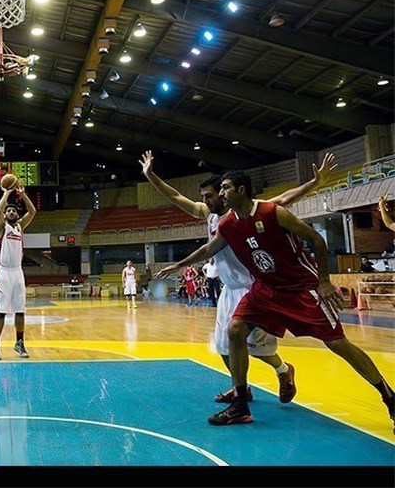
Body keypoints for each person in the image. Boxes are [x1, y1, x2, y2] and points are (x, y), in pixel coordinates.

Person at [156, 170, 395, 430]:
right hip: (265, 289)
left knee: (337, 343)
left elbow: (316, 239)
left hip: (300, 288)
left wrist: (324, 281)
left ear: (241, 190)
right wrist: (179, 265)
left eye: (225, 188)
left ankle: (388, 396)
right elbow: (209, 249)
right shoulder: (227, 224)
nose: (222, 193)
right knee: (235, 330)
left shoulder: (272, 212)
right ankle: (240, 403)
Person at [140, 150, 335, 404]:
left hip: (254, 287)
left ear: (223, 194)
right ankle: (240, 388)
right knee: (223, 346)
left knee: (258, 349)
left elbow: (285, 197)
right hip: (228, 289)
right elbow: (175, 196)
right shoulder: (209, 215)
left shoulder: (246, 212)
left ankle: (283, 370)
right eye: (204, 197)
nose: (206, 200)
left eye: (210, 195)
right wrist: (151, 175)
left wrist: (315, 183)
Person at [0, 181, 36, 360]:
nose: (11, 212)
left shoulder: (20, 227)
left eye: (14, 211)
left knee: (20, 311)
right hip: (3, 273)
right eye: (8, 210)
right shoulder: (2, 228)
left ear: (17, 215)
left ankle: (19, 342)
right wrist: (7, 193)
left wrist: (22, 194)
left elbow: (32, 211)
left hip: (18, 272)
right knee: (1, 312)